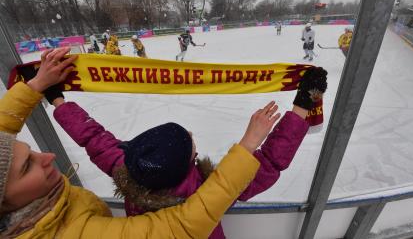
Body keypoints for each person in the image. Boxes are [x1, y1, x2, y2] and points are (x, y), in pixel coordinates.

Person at [0, 47, 273, 238]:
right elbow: (185, 226)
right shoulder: (74, 234)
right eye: (26, 167)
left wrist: (43, 89)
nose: (47, 156)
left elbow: (93, 137)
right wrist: (249, 145)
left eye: (29, 151)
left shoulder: (125, 167)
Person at [49, 63, 327, 238]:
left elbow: (93, 138)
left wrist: (57, 100)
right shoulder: (208, 193)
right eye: (191, 145)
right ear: (191, 161)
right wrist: (303, 105)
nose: (193, 137)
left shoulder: (130, 169)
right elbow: (268, 163)